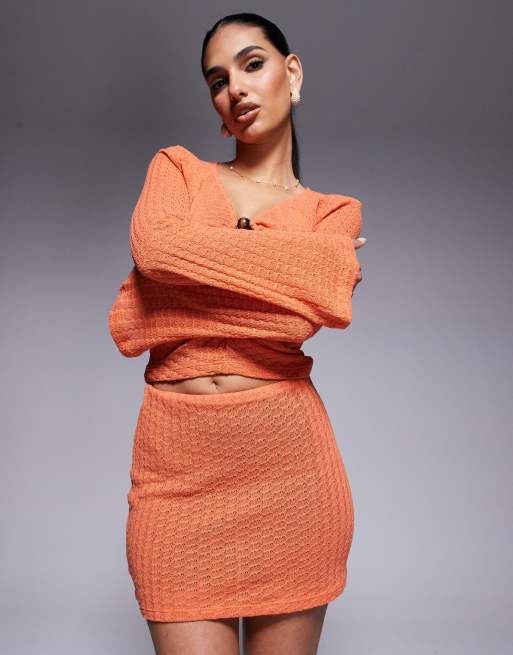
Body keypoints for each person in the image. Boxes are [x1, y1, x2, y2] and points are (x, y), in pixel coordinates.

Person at [109, 12, 367, 655]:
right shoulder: (177, 170)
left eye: (252, 64)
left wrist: (181, 291)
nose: (236, 89)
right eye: (218, 80)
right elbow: (156, 253)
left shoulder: (333, 212)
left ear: (292, 73)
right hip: (176, 478)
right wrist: (303, 267)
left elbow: (303, 316)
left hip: (292, 477)